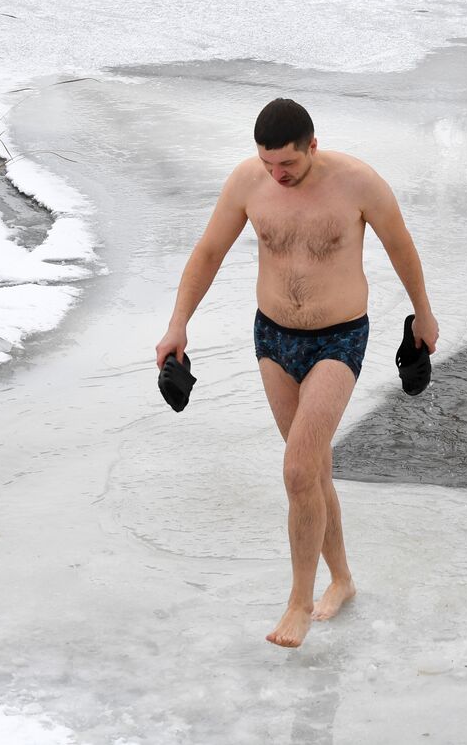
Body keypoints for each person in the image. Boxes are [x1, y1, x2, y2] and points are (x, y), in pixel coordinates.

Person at [154, 97, 439, 648]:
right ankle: (343, 580)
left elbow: (401, 246)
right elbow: (209, 250)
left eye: (287, 164)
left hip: (339, 336)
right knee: (310, 473)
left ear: (312, 144)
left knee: (297, 470)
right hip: (273, 339)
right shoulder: (248, 182)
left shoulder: (359, 184)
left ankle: (298, 603)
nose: (277, 176)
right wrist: (177, 325)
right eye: (268, 165)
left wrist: (423, 313)